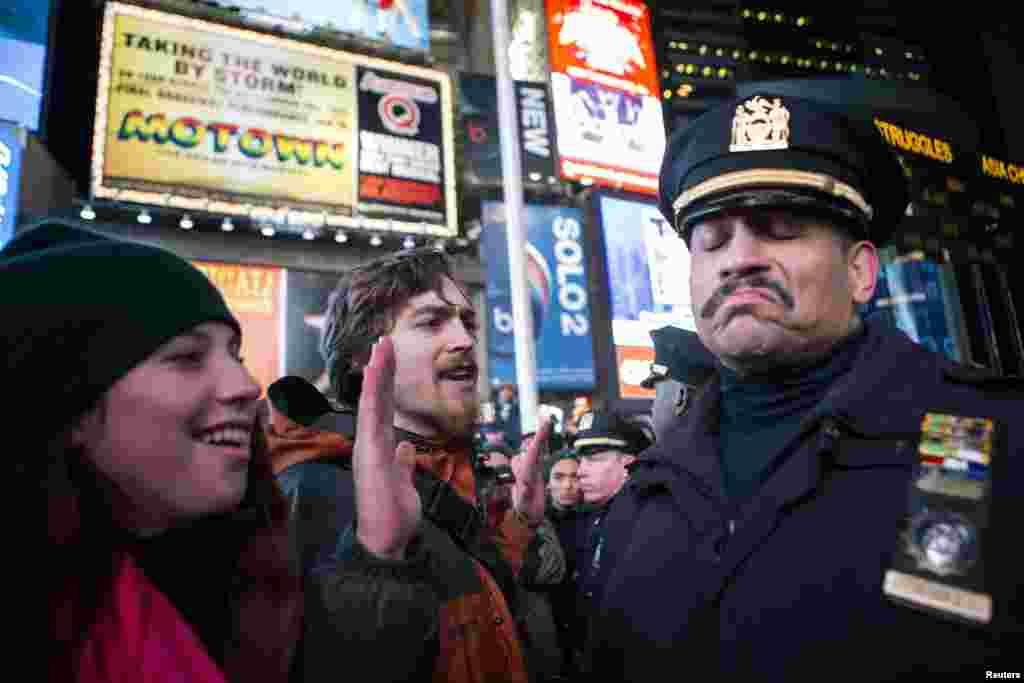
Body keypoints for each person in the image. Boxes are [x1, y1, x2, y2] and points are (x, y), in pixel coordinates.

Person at [586, 93, 1024, 679]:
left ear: (861, 271)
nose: (739, 258)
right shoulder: (646, 493)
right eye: (711, 240)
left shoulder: (1001, 444)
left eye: (782, 228)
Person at [15, 222, 303, 682]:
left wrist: (379, 554)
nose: (247, 387)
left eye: (237, 357)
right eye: (187, 357)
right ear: (72, 406)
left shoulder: (241, 590)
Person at [289, 247, 561, 683]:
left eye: (467, 323)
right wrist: (375, 561)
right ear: (362, 357)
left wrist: (521, 526)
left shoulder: (472, 477)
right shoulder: (308, 489)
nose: (465, 340)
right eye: (432, 322)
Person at [569, 412, 651, 672]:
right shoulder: (599, 514)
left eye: (594, 459)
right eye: (580, 459)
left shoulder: (643, 518)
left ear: (629, 463)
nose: (580, 471)